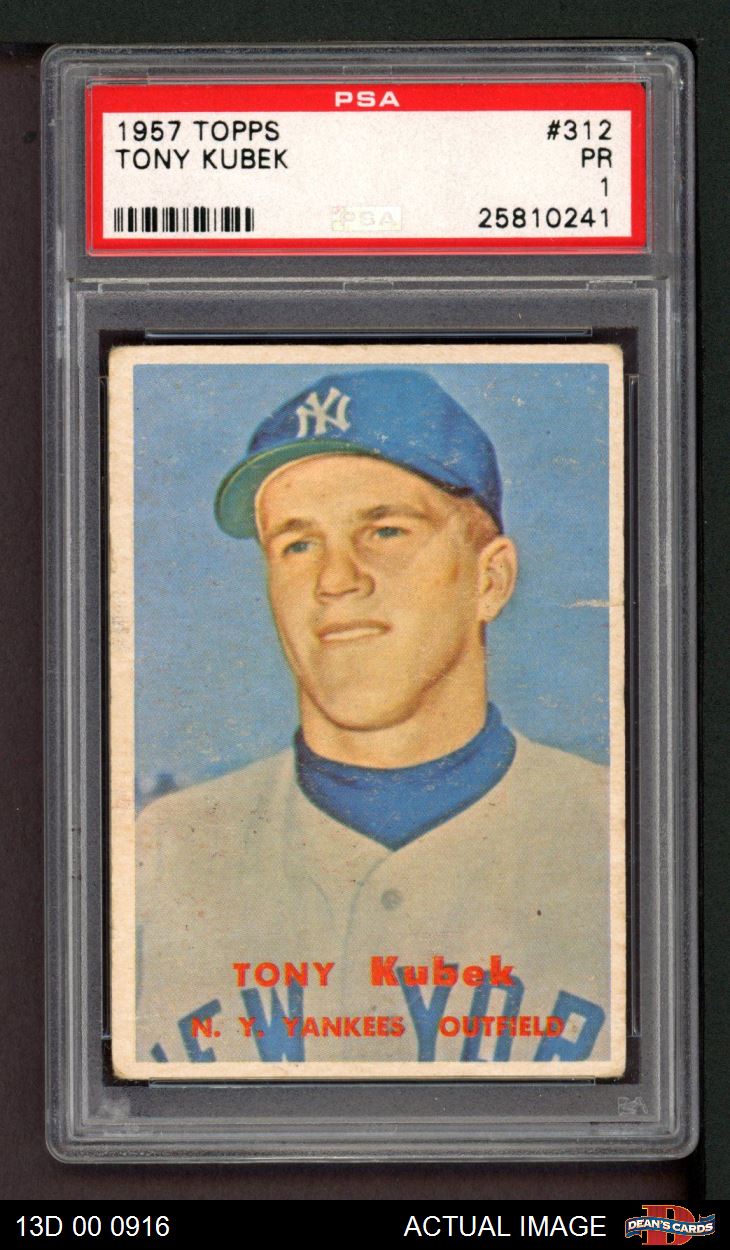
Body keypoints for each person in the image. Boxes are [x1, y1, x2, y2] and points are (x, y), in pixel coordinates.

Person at [132, 368, 619, 1075]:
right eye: (298, 544)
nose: (336, 580)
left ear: (490, 580)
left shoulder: (626, 839)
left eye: (385, 531)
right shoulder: (161, 854)